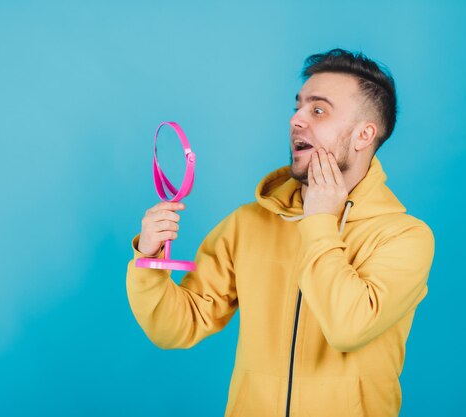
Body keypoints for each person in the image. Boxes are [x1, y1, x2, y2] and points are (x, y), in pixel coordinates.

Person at [126, 48, 435, 417]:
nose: (296, 120)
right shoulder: (248, 223)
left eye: (318, 110)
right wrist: (148, 258)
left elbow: (349, 327)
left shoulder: (405, 237)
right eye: (298, 107)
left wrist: (319, 221)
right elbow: (176, 326)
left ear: (364, 135)